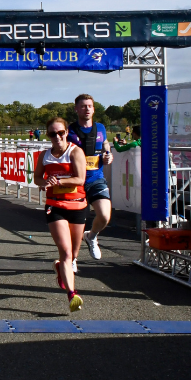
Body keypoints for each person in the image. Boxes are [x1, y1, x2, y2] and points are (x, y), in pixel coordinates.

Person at [34, 117, 87, 313]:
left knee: (73, 255)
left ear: (66, 132)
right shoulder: (44, 156)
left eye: (60, 133)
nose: (57, 137)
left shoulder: (75, 152)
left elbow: (80, 179)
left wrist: (59, 182)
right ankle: (72, 294)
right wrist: (43, 183)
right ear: (47, 135)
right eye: (52, 134)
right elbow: (37, 177)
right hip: (55, 205)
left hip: (77, 204)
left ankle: (60, 269)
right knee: (65, 252)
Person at [67, 94, 112, 264]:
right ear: (76, 109)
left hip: (95, 178)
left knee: (105, 216)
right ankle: (72, 258)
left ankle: (92, 236)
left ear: (94, 109)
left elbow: (105, 143)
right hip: (75, 181)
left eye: (90, 106)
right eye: (83, 106)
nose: (87, 109)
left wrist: (108, 154)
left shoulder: (100, 127)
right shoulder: (69, 130)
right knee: (75, 223)